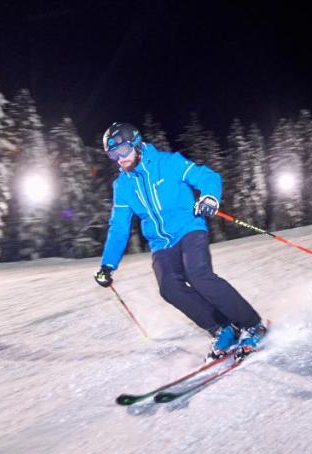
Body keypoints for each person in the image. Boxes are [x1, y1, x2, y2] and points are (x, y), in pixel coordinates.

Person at [93, 122, 267, 359]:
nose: (119, 158)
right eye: (113, 154)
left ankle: (252, 324)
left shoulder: (169, 163)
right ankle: (223, 329)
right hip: (160, 243)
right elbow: (119, 226)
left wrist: (208, 197)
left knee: (198, 275)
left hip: (189, 229)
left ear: (136, 145)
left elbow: (206, 176)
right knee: (169, 288)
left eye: (123, 151)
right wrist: (108, 264)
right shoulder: (122, 186)